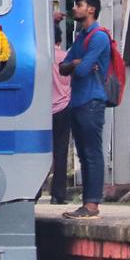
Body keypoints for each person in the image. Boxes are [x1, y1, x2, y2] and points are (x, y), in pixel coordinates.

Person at [58, 0, 110, 219]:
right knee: (84, 153)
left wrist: (76, 64)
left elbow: (77, 70)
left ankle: (92, 204)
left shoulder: (99, 37)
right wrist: (77, 63)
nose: (74, 8)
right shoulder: (82, 37)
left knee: (91, 153)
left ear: (91, 9)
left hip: (91, 101)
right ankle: (88, 203)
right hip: (78, 100)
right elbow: (63, 67)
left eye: (79, 5)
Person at [46, 23, 73, 204]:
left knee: (40, 150)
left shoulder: (41, 58)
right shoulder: (67, 58)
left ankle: (36, 192)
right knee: (60, 152)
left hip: (41, 111)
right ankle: (58, 194)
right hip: (63, 108)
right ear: (59, 39)